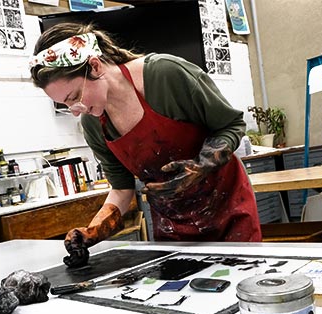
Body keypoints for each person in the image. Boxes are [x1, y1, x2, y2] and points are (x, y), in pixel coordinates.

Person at [29, 22, 262, 268]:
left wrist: (201, 165)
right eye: (66, 105)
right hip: (173, 233)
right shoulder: (94, 124)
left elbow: (231, 125)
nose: (76, 112)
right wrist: (92, 231)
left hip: (228, 215)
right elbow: (121, 189)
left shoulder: (165, 76)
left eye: (74, 97)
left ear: (95, 65)